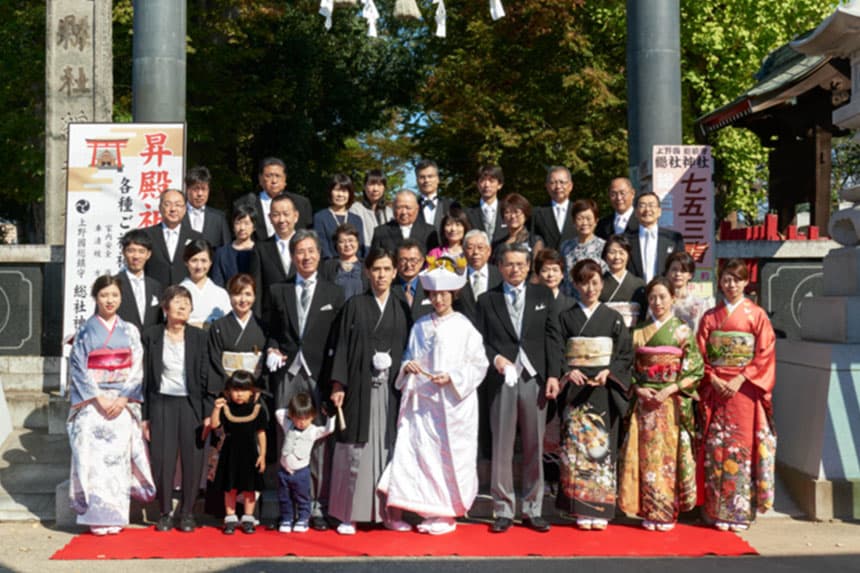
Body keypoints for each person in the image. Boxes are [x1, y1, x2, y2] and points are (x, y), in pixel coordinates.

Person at [380, 262, 489, 535]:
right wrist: (409, 367)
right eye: (434, 294)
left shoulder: (464, 327)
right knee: (421, 455)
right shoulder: (420, 325)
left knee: (449, 456)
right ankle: (424, 509)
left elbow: (479, 364)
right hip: (423, 403)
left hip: (453, 404)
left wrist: (452, 377)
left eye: (444, 294)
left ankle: (446, 512)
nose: (438, 299)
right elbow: (408, 356)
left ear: (453, 294)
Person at [478, 243, 562, 534]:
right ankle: (502, 508)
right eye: (509, 264)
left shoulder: (542, 295)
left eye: (520, 264)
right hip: (502, 378)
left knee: (534, 444)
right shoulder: (487, 300)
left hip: (534, 378)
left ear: (529, 267)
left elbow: (553, 336)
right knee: (501, 444)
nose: (515, 269)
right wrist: (495, 359)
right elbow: (480, 342)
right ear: (499, 267)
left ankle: (532, 508)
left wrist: (553, 375)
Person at [327, 248, 412, 535]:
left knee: (390, 447)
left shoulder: (401, 306)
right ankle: (348, 514)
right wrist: (339, 384)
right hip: (360, 385)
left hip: (391, 389)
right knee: (355, 449)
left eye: (387, 269)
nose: (382, 275)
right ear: (367, 271)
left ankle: (390, 513)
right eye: (376, 269)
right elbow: (341, 345)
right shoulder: (354, 305)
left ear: (395, 272)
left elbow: (409, 347)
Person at [265, 229, 345, 531]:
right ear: (292, 255)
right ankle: (285, 506)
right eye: (300, 251)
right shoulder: (278, 291)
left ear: (320, 254)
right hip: (287, 372)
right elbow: (272, 330)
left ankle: (315, 507)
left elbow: (338, 339)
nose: (306, 256)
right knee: (285, 434)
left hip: (318, 373)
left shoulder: (333, 292)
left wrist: (336, 380)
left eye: (311, 250)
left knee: (317, 440)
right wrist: (272, 348)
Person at [67, 275, 155, 535]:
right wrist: (98, 397)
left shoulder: (129, 330)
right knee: (92, 460)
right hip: (93, 402)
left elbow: (137, 367)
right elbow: (78, 369)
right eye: (105, 295)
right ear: (96, 297)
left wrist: (123, 397)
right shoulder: (85, 331)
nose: (110, 300)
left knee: (117, 460)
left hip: (121, 403)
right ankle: (95, 515)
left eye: (114, 295)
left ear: (121, 298)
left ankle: (116, 514)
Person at [696, 259, 776, 532]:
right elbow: (700, 355)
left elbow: (764, 353)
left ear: (745, 283)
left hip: (744, 390)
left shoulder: (757, 316)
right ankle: (714, 509)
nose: (731, 285)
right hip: (717, 387)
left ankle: (738, 512)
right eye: (726, 279)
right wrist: (713, 377)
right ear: (720, 282)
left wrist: (742, 377)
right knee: (715, 447)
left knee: (740, 448)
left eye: (736, 280)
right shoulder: (710, 317)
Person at [618, 277, 704, 531]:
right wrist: (638, 386)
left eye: (662, 297)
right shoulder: (638, 331)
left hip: (670, 402)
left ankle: (666, 511)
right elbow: (628, 366)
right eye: (653, 297)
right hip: (645, 401)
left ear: (673, 299)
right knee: (645, 457)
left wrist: (672, 387)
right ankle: (647, 509)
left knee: (667, 457)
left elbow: (695, 368)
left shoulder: (682, 330)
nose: (657, 302)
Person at [556, 259, 632, 531]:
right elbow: (556, 349)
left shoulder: (612, 318)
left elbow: (624, 353)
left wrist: (609, 372)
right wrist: (567, 371)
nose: (590, 288)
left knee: (601, 447)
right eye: (584, 282)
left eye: (595, 282)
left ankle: (600, 507)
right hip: (575, 391)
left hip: (602, 390)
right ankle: (578, 507)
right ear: (575, 285)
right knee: (576, 448)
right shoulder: (566, 317)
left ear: (602, 283)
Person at [142, 285, 211, 533]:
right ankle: (164, 512)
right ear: (165, 307)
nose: (183, 306)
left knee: (193, 459)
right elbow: (145, 378)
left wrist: (207, 413)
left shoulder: (201, 337)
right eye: (178, 301)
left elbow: (207, 377)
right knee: (163, 459)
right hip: (161, 402)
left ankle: (188, 512)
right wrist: (145, 415)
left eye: (187, 302)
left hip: (191, 404)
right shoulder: (151, 335)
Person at [210, 370, 268, 535]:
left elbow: (261, 434)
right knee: (230, 487)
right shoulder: (226, 408)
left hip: (250, 452)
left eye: (243, 390)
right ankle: (230, 518)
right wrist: (216, 409)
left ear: (252, 391)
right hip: (230, 452)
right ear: (228, 391)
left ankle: (248, 518)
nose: (239, 394)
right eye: (235, 390)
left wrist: (262, 455)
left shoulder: (257, 409)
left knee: (250, 488)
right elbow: (215, 425)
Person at [274, 392, 336, 534]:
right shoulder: (287, 425)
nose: (301, 422)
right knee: (284, 497)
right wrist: (292, 412)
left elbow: (329, 429)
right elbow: (278, 413)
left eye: (306, 418)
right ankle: (287, 518)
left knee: (302, 497)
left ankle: (303, 519)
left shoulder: (314, 430)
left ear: (313, 416)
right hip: (284, 470)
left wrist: (330, 416)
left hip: (301, 472)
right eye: (298, 418)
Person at [207, 273, 267, 397]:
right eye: (237, 294)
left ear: (255, 296)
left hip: (254, 391)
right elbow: (214, 360)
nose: (243, 300)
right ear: (229, 296)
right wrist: (229, 388)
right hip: (228, 390)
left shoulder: (263, 326)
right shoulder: (218, 327)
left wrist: (255, 389)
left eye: (248, 294)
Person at [233, 157, 312, 240]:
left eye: (278, 176)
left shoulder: (301, 203)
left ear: (285, 178)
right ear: (260, 179)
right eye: (269, 176)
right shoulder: (244, 203)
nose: (274, 181)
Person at [142, 188, 204, 287]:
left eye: (178, 205)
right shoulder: (146, 235)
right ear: (160, 208)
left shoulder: (196, 237)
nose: (173, 209)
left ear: (184, 210)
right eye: (168, 204)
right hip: (155, 295)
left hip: (185, 295)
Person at [249, 193, 299, 316]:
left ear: (296, 216)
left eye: (286, 214)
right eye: (276, 215)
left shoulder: (308, 247)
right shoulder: (261, 248)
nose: (282, 220)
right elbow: (257, 290)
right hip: (272, 318)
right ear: (270, 218)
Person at [626, 192, 685, 283]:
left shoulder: (674, 238)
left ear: (659, 211)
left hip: (665, 293)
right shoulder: (625, 239)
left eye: (651, 205)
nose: (647, 209)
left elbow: (682, 267)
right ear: (636, 212)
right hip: (633, 294)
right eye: (642, 206)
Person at [116, 229, 164, 333]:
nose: (136, 256)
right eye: (131, 251)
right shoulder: (113, 284)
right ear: (123, 252)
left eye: (141, 251)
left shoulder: (156, 286)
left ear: (148, 254)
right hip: (122, 345)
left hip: (150, 346)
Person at [559, 198, 608, 297]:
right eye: (580, 218)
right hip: (569, 302)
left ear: (596, 221)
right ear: (573, 222)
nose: (584, 223)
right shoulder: (566, 246)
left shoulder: (604, 246)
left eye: (589, 218)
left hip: (594, 301)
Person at [179, 239, 231, 327]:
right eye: (194, 260)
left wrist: (203, 325)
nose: (199, 266)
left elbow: (227, 326)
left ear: (211, 262)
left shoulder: (221, 293)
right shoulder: (178, 292)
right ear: (186, 262)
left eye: (204, 261)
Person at [313, 173, 366, 260]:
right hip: (329, 268)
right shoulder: (320, 217)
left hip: (355, 268)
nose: (340, 195)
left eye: (344, 191)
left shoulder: (356, 219)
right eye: (337, 190)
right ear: (330, 192)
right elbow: (322, 248)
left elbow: (360, 248)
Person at [456, 229, 502, 327]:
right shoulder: (455, 276)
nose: (475, 252)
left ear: (489, 251)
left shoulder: (501, 275)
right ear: (463, 251)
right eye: (470, 248)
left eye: (480, 247)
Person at [600, 234, 647, 329]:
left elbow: (644, 315)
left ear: (628, 255)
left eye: (621, 252)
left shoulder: (639, 284)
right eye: (612, 252)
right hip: (605, 334)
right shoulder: (598, 284)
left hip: (632, 335)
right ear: (605, 256)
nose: (617, 257)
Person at [370, 190, 439, 254]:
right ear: (393, 208)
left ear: (417, 209)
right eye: (399, 207)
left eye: (408, 208)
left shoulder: (430, 231)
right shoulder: (380, 232)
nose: (404, 212)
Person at [664, 251, 714, 334]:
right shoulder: (659, 301)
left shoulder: (700, 304)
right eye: (674, 269)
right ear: (667, 272)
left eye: (683, 271)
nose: (678, 274)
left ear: (690, 275)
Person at [183, 166, 231, 249]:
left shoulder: (218, 218)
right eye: (196, 189)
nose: (200, 194)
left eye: (204, 189)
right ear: (187, 189)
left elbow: (226, 251)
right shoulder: (177, 216)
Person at [530, 166, 577, 251]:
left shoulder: (578, 210)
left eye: (562, 182)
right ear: (547, 186)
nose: (558, 186)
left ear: (570, 186)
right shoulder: (537, 213)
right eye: (553, 183)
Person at [211, 204, 257, 288]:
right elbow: (217, 284)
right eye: (238, 223)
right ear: (232, 226)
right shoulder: (222, 253)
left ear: (254, 227)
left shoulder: (260, 251)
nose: (242, 228)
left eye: (246, 223)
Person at [491, 193, 544, 265]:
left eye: (516, 212)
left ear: (525, 214)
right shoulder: (498, 244)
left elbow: (537, 269)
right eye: (507, 212)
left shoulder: (534, 241)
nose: (513, 216)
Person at [319, 223, 368, 301]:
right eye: (342, 241)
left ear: (357, 242)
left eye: (351, 240)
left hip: (360, 311)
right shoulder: (327, 266)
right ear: (336, 245)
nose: (347, 245)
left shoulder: (367, 265)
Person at [392, 239, 434, 321]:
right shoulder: (388, 287)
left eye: (413, 260)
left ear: (422, 261)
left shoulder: (431, 287)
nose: (408, 265)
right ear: (396, 262)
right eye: (403, 260)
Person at [350, 169, 393, 247]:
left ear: (384, 188)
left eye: (379, 185)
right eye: (371, 184)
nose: (375, 189)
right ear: (364, 186)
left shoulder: (389, 212)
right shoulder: (356, 210)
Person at [465, 165, 508, 244]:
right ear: (477, 184)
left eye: (491, 181)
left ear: (500, 185)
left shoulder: (507, 210)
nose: (486, 185)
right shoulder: (467, 213)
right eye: (482, 181)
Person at [415, 159, 454, 232]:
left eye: (430, 176)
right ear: (417, 180)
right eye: (422, 177)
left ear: (438, 179)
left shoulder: (451, 206)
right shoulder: (412, 207)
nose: (426, 180)